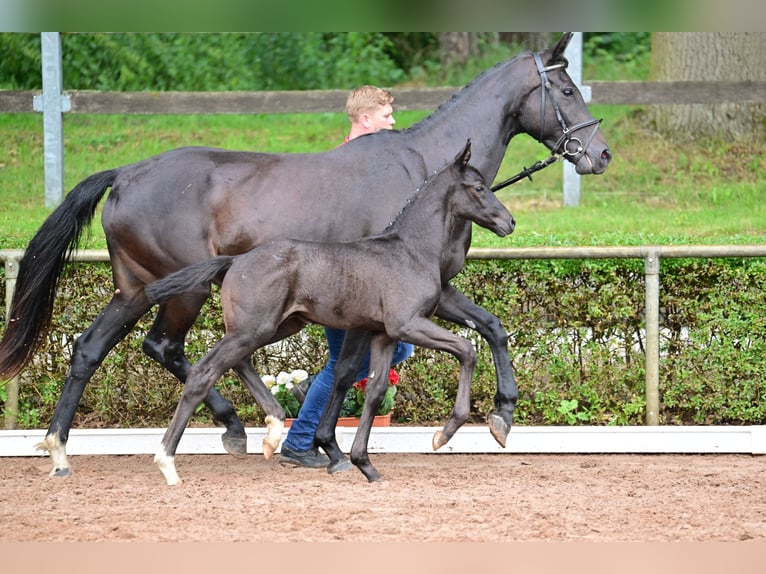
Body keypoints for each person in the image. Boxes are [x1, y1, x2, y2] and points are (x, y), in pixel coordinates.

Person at [279, 85, 414, 469]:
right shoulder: (342, 168)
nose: (394, 122)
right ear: (367, 120)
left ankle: (308, 403)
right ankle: (300, 441)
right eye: (387, 116)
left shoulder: (366, 166)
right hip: (340, 284)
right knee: (344, 362)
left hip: (359, 283)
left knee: (401, 348)